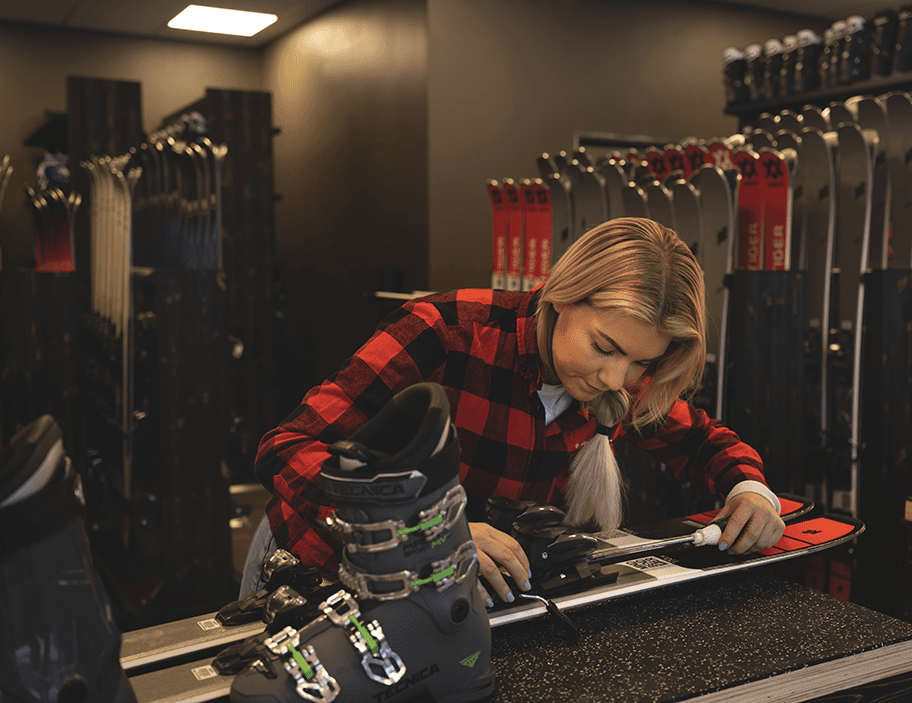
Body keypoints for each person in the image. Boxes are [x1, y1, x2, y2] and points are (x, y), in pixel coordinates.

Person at [251, 217, 784, 607]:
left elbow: (702, 441)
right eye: (604, 348)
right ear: (563, 295)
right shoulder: (447, 331)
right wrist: (428, 531)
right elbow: (286, 447)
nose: (614, 380)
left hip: (462, 599)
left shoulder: (622, 379)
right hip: (319, 571)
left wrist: (750, 491)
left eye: (639, 361)